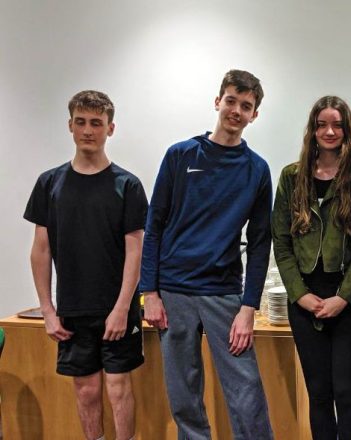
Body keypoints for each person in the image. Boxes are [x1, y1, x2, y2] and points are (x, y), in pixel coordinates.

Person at [140, 69, 273, 440]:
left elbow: (261, 243)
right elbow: (154, 227)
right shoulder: (180, 155)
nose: (236, 110)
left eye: (245, 106)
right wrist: (149, 293)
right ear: (218, 102)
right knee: (184, 396)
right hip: (173, 292)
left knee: (246, 394)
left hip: (223, 294)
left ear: (253, 115)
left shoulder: (257, 170)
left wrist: (248, 308)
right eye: (231, 101)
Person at [25, 90, 148, 440]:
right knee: (86, 390)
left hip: (117, 308)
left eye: (97, 123)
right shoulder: (50, 184)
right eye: (81, 122)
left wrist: (122, 308)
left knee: (117, 387)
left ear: (111, 128)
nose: (88, 130)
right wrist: (48, 310)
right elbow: (40, 251)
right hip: (72, 308)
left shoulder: (127, 185)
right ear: (70, 126)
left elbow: (135, 251)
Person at [272, 95, 351, 439]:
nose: (329, 131)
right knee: (318, 394)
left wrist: (344, 297)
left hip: (349, 301)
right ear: (312, 130)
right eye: (321, 125)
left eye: (336, 124)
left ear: (347, 129)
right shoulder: (292, 176)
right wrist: (299, 294)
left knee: (345, 393)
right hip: (304, 302)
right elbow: (281, 241)